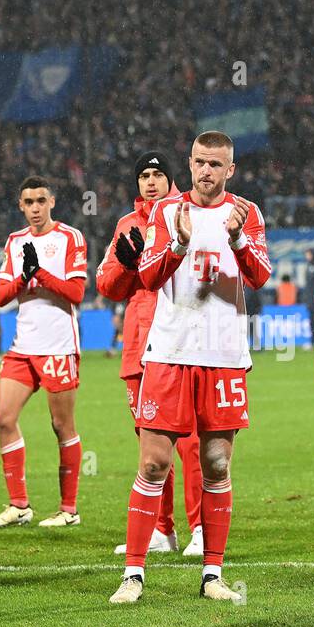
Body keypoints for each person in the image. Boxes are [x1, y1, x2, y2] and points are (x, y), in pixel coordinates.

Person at [109, 131, 271, 604]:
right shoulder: (166, 211)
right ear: (191, 162)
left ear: (230, 170)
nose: (206, 172)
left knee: (216, 464)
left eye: (216, 165)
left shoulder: (247, 213)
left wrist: (238, 237)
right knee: (154, 461)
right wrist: (177, 245)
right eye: (200, 162)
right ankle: (133, 575)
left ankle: (212, 574)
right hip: (169, 353)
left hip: (223, 357)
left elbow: (259, 275)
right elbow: (147, 276)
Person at [97, 150, 204, 556]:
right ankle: (162, 530)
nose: (151, 181)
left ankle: (201, 529)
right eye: (143, 175)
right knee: (150, 445)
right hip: (140, 348)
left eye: (158, 174)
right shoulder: (127, 224)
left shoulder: (189, 214)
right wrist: (127, 266)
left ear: (171, 179)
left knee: (192, 441)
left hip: (182, 344)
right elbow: (107, 286)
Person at [0, 176, 88, 529]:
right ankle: (19, 505)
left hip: (58, 347)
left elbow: (75, 293)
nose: (35, 208)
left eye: (41, 200)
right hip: (23, 347)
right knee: (3, 417)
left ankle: (68, 509)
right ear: (20, 206)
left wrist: (39, 272)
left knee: (61, 425)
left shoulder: (70, 238)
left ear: (52, 202)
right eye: (28, 202)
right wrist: (23, 277)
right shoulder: (15, 242)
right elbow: (0, 297)